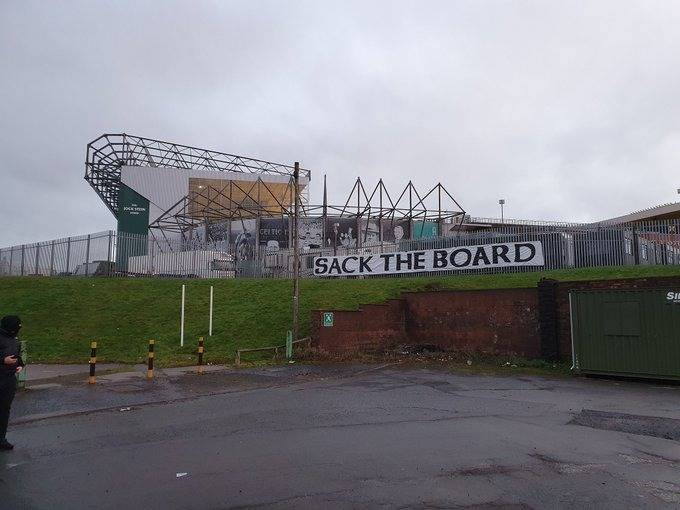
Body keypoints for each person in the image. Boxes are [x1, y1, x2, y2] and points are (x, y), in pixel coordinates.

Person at [0, 315, 24, 451]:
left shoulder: (14, 339)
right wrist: (3, 361)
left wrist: (20, 364)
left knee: (5, 409)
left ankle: (1, 439)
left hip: (9, 379)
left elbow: (17, 354)